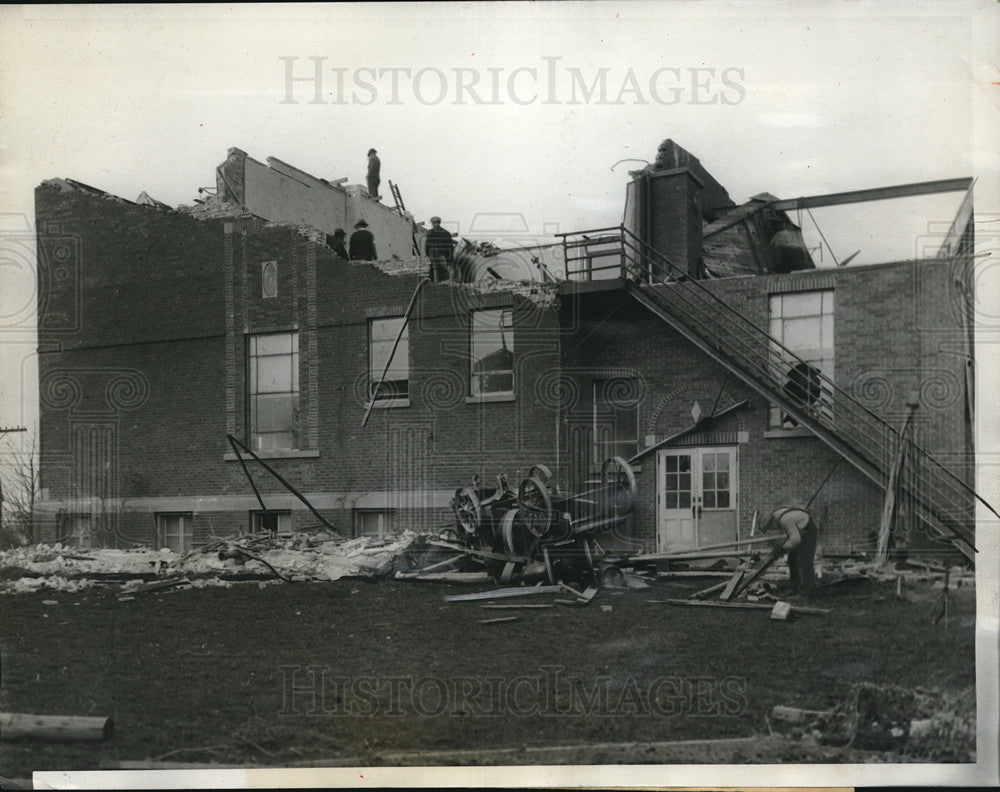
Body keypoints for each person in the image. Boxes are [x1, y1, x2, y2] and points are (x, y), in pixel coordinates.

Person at [763, 506, 818, 596]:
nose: (772, 530)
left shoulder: (785, 520)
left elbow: (796, 540)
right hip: (801, 530)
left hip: (808, 530)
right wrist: (782, 548)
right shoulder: (776, 515)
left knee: (804, 561)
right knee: (792, 559)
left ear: (772, 523)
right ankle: (794, 587)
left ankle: (806, 592)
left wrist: (782, 548)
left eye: (770, 528)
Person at [424, 216, 456, 282]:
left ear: (433, 223)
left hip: (437, 256)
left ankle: (438, 284)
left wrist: (427, 255)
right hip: (445, 256)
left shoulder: (431, 232)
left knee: (436, 271)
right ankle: (450, 283)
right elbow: (451, 247)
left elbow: (427, 245)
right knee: (448, 271)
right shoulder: (446, 233)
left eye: (433, 223)